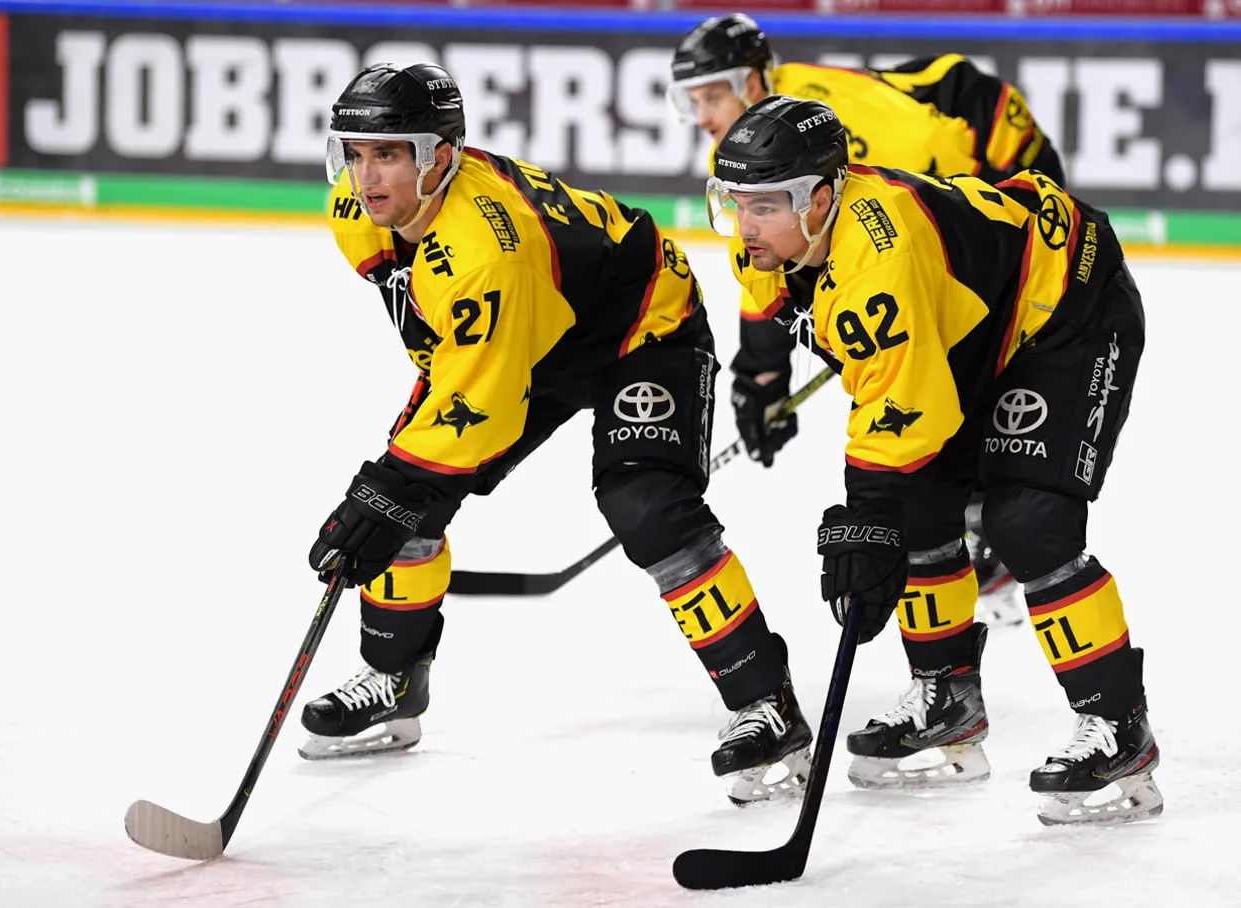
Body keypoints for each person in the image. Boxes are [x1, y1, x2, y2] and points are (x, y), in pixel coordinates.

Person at [296, 62, 812, 807]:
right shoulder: (357, 208)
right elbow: (450, 344)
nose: (366, 175)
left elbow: (486, 403)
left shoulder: (485, 250)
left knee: (648, 507)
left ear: (440, 156)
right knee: (408, 496)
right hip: (530, 329)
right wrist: (403, 482)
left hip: (640, 326)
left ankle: (766, 701)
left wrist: (398, 481)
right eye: (355, 153)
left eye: (389, 154)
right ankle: (394, 677)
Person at [705, 94, 1160, 826]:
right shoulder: (765, 242)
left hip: (1063, 303)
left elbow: (903, 412)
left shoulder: (880, 261)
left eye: (764, 206)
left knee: (1027, 522)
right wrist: (762, 377)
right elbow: (784, 309)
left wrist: (867, 518)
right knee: (918, 509)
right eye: (734, 202)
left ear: (819, 199)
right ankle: (946, 698)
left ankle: (1120, 726)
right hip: (968, 323)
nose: (744, 225)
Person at [671, 13, 1066, 625]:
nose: (702, 117)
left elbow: (946, 195)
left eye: (711, 96)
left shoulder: (851, 128)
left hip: (995, 161)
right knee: (912, 365)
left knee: (955, 362)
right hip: (928, 193)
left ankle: (986, 524)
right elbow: (774, 260)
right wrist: (762, 371)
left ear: (752, 82)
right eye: (690, 101)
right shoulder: (753, 148)